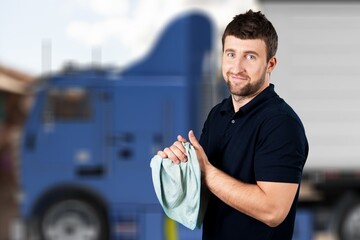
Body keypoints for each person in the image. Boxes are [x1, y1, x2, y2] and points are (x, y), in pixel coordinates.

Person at [157, 9, 308, 240]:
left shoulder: (281, 124)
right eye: (230, 54)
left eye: (250, 56)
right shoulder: (219, 114)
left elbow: (273, 210)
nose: (236, 67)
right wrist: (182, 164)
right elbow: (203, 193)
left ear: (271, 64)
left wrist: (205, 170)